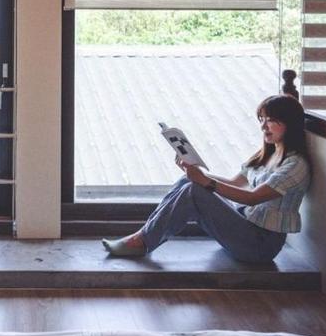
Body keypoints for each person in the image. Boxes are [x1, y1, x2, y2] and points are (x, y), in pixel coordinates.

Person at [102, 95, 311, 263]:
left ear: (289, 124)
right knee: (187, 182)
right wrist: (196, 172)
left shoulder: (295, 165)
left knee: (195, 190)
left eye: (272, 121)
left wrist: (205, 182)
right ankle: (142, 236)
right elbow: (235, 183)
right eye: (262, 120)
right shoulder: (266, 154)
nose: (264, 126)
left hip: (260, 246)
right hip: (245, 228)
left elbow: (252, 198)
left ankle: (141, 242)